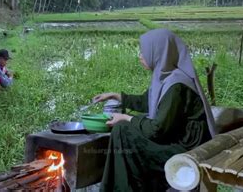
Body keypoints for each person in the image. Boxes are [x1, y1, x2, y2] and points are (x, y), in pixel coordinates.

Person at [92, 29, 216, 191]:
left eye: (144, 52)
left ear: (159, 53)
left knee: (123, 130)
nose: (140, 56)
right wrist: (116, 96)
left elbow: (156, 130)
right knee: (125, 128)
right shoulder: (166, 77)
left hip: (186, 150)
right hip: (177, 137)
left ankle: (126, 187)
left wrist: (125, 117)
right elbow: (148, 102)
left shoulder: (176, 85)